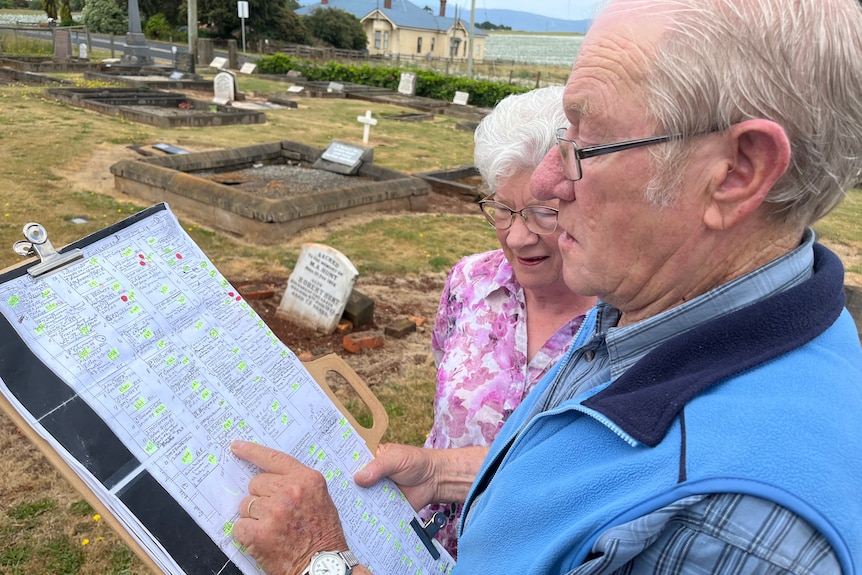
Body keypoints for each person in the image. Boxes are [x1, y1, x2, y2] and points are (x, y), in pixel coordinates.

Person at [230, 0, 862, 573]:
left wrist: (317, 563)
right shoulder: (654, 293)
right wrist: (440, 469)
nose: (548, 184)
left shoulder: (724, 531)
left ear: (736, 172)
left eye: (586, 142)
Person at [422, 85, 595, 557]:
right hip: (423, 541)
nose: (518, 237)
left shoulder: (620, 321)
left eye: (543, 214)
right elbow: (443, 374)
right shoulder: (470, 281)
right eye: (502, 210)